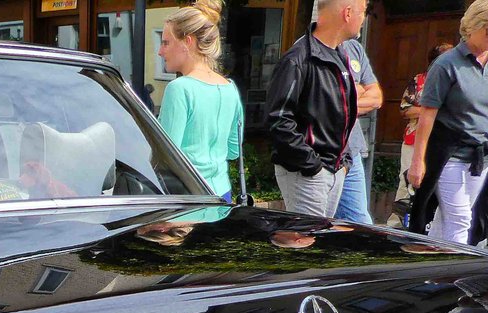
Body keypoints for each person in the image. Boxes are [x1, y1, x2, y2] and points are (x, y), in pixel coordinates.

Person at [408, 0, 488, 245]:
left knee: (451, 216)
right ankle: (456, 267)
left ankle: (432, 262)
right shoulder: (447, 64)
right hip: (450, 154)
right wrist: (418, 160)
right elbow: (427, 114)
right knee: (460, 219)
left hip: (484, 155)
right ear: (473, 26)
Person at [266, 0, 365, 218]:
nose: (363, 19)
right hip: (307, 172)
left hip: (331, 169)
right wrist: (312, 165)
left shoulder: (340, 56)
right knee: (306, 236)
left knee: (317, 235)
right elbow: (279, 120)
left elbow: (342, 115)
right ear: (348, 13)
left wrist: (344, 161)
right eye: (363, 12)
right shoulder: (298, 59)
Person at [156, 0, 243, 202]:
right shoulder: (229, 88)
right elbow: (233, 150)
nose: (160, 51)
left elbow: (167, 157)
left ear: (188, 42)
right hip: (222, 193)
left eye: (166, 42)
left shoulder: (179, 89)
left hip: (188, 197)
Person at [332, 38, 383, 224]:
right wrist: (357, 91)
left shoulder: (354, 48)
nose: (362, 23)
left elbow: (376, 98)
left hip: (351, 151)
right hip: (320, 153)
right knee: (315, 222)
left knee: (360, 222)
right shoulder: (311, 48)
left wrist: (343, 97)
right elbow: (323, 100)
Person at [396, 43, 454, 204]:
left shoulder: (457, 81)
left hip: (444, 142)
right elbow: (405, 109)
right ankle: (399, 216)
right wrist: (432, 110)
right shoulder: (419, 80)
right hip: (414, 140)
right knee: (407, 181)